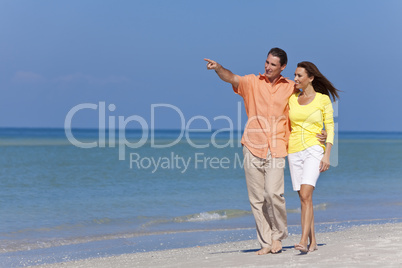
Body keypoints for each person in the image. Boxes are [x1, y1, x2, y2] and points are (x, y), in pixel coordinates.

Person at [204, 48, 326, 255]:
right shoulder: (252, 82)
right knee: (256, 198)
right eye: (267, 62)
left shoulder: (290, 87)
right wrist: (218, 69)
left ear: (282, 67)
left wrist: (320, 131)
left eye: (273, 64)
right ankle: (266, 241)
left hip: (277, 146)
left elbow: (308, 103)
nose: (268, 67)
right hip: (252, 145)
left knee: (273, 193)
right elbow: (231, 77)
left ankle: (278, 235)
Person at [288, 61, 340, 253]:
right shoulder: (292, 98)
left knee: (306, 194)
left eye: (299, 75)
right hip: (293, 151)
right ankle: (313, 242)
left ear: (310, 78)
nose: (295, 79)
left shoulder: (323, 100)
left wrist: (327, 155)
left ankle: (303, 240)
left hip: (314, 150)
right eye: (294, 75)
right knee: (303, 198)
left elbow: (331, 127)